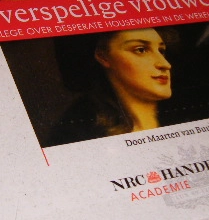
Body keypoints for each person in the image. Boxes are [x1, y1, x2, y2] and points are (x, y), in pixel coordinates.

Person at [47, 27, 175, 146]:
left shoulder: (176, 117)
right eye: (141, 50)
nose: (165, 64)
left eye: (161, 51)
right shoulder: (79, 133)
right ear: (103, 57)